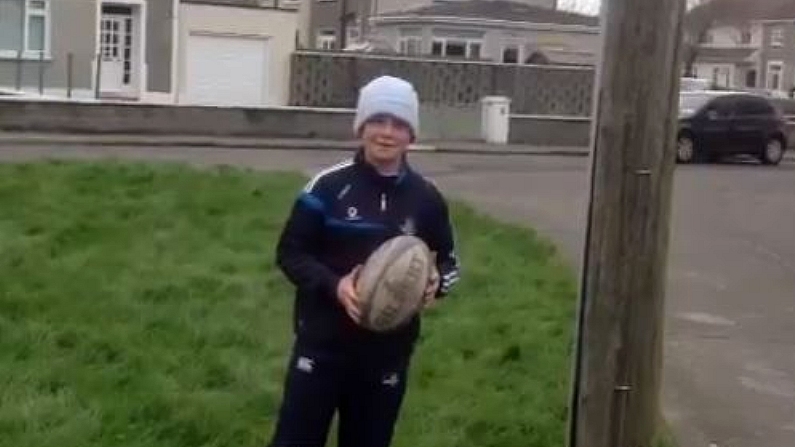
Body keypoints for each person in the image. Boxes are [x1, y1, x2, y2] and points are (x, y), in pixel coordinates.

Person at [268, 75, 461, 447]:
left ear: (411, 136)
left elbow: (451, 263)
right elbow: (290, 253)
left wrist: (435, 283)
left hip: (386, 355)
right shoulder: (325, 187)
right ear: (361, 127)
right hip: (321, 347)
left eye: (399, 124)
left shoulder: (427, 198)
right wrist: (335, 285)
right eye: (377, 120)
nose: (387, 133)